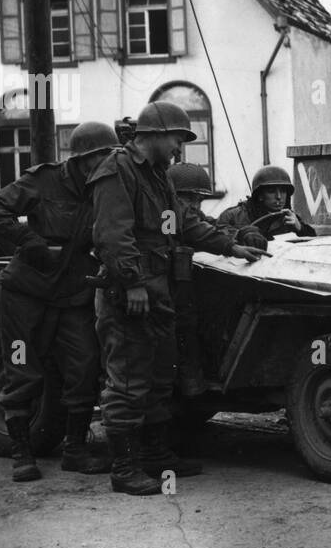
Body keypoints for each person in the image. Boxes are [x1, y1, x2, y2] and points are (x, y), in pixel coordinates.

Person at [89, 101, 264, 496]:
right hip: (129, 293)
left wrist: (230, 247)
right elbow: (112, 235)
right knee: (129, 379)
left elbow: (183, 223)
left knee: (158, 377)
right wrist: (132, 283)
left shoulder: (158, 177)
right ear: (152, 135)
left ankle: (154, 456)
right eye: (176, 139)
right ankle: (125, 467)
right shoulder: (117, 171)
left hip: (158, 291)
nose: (179, 150)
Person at [0, 120, 120, 482]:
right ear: (83, 158)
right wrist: (27, 239)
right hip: (26, 293)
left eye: (110, 157)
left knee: (85, 365)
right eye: (100, 158)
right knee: (21, 367)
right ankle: (22, 453)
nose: (106, 165)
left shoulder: (105, 188)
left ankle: (75, 450)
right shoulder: (43, 180)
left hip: (72, 295)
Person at [165, 162, 264, 397]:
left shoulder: (186, 212)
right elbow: (196, 230)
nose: (195, 205)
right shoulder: (168, 213)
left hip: (180, 283)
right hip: (164, 284)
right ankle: (184, 385)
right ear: (175, 195)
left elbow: (209, 224)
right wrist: (233, 246)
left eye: (198, 199)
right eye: (190, 198)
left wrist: (241, 232)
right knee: (181, 328)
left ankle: (194, 383)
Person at [217, 165, 317, 244]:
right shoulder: (233, 216)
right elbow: (218, 237)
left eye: (282, 191)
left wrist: (300, 228)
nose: (278, 197)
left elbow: (313, 243)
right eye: (271, 191)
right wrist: (241, 235)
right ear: (260, 195)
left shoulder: (289, 217)